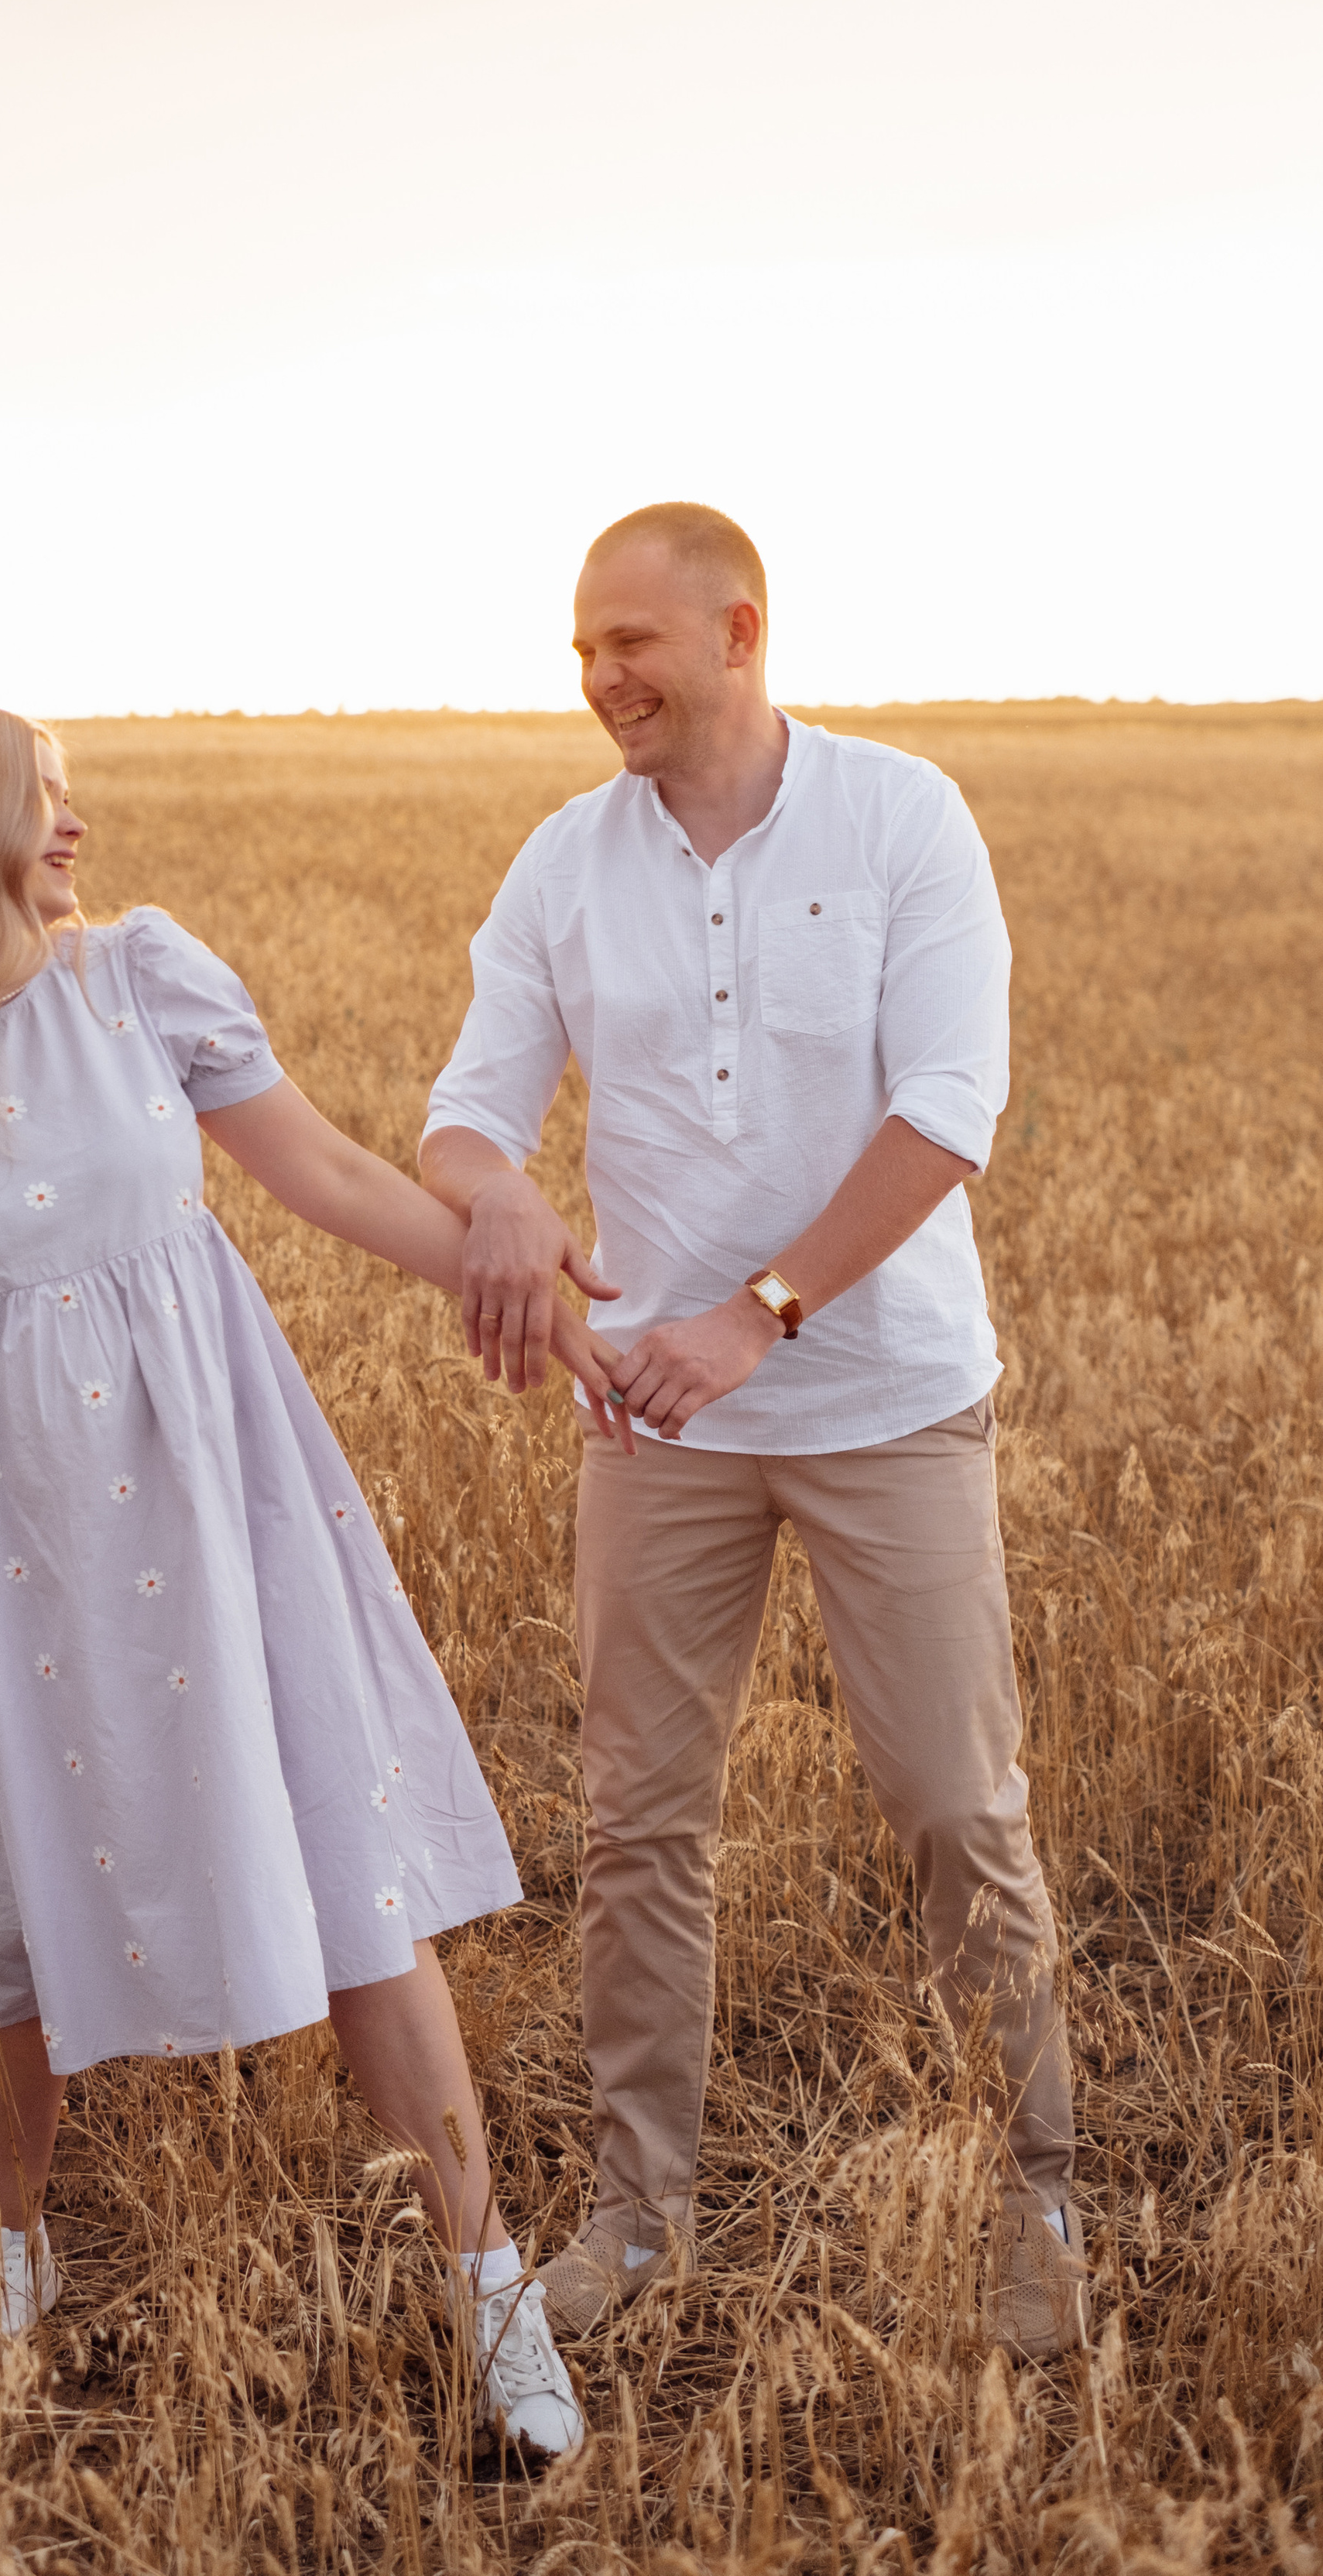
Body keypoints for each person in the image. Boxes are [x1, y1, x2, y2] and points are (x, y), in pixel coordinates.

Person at [0, 703, 595, 2451]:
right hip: (10, 1541)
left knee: (346, 1864)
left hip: (223, 1497)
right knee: (7, 1912)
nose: (78, 827)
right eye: (41, 804)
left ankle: (487, 2280)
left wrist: (517, 1284)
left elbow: (330, 1174)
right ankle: (8, 2252)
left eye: (69, 799)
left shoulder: (139, 977)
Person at [418, 503, 1087, 2362]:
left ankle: (1027, 2190)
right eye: (575, 652)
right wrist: (493, 1201)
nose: (598, 681)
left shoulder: (898, 820)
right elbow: (466, 1107)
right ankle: (637, 2216)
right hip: (653, 1428)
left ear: (738, 628)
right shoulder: (563, 864)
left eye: (627, 644)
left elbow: (949, 1108)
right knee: (638, 1823)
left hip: (883, 1400)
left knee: (958, 1807)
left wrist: (753, 1318)